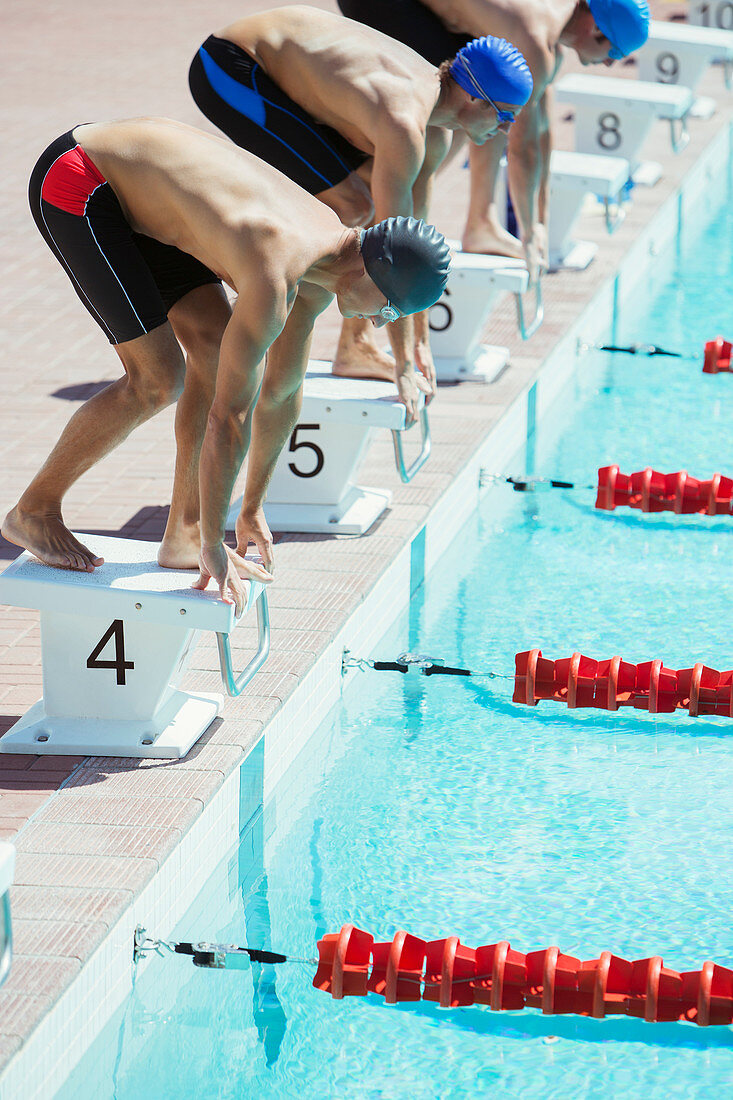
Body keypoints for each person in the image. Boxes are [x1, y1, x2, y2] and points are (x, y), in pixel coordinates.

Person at [3, 118, 450, 613]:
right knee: (157, 379)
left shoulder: (328, 263)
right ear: (371, 272)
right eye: (387, 308)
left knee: (214, 356)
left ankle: (184, 534)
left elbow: (282, 390)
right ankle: (33, 511)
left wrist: (254, 507)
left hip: (141, 194)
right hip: (82, 179)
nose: (375, 319)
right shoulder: (277, 270)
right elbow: (228, 417)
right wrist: (219, 543)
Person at [189, 6, 532, 419]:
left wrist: (419, 342)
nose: (508, 128)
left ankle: (354, 345)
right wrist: (404, 364)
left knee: (362, 199)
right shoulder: (405, 122)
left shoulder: (432, 134)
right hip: (231, 64)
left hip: (275, 63)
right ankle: (254, 305)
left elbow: (412, 236)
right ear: (475, 98)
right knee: (352, 205)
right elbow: (389, 249)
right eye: (506, 114)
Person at [337, 0, 650, 282]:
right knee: (456, 115)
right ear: (596, 29)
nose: (610, 64)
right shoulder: (536, 41)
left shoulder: (552, 25)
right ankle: (367, 223)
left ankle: (479, 222)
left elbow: (541, 129)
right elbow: (523, 146)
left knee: (490, 102)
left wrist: (540, 222)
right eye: (616, 54)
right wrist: (529, 233)